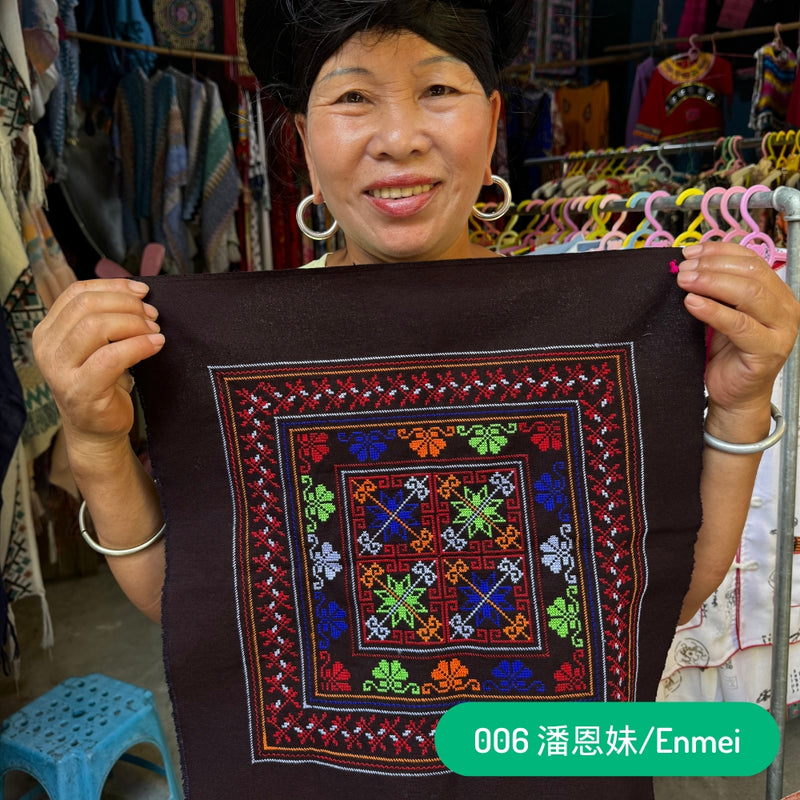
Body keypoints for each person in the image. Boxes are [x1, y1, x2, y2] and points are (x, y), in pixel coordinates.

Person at [31, 1, 800, 797]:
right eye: (353, 97)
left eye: (438, 89)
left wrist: (740, 404)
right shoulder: (244, 369)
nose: (398, 138)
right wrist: (94, 444)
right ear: (299, 135)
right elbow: (194, 608)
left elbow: (668, 590)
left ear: (494, 118)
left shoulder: (595, 350)